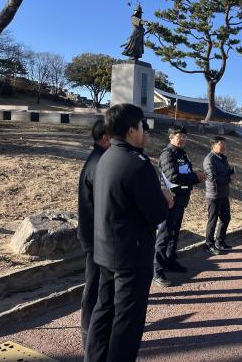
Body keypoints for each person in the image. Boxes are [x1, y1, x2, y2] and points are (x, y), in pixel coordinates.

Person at [85, 104, 172, 362]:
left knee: (104, 310)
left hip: (105, 249)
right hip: (131, 255)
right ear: (131, 130)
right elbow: (156, 213)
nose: (144, 131)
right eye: (142, 126)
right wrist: (166, 199)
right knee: (128, 320)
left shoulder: (105, 157)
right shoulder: (138, 164)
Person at [154, 124, 206, 287]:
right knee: (163, 236)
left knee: (174, 233)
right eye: (179, 136)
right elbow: (173, 177)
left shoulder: (182, 154)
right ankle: (157, 271)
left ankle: (170, 261)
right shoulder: (167, 154)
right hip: (169, 200)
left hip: (181, 199)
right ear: (171, 137)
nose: (183, 139)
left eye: (184, 136)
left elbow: (186, 173)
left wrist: (197, 176)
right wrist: (195, 177)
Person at [77, 120, 110, 349]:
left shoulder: (99, 159)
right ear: (106, 137)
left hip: (96, 235)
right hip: (97, 237)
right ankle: (88, 333)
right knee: (94, 285)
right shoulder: (99, 163)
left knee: (98, 285)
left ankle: (94, 330)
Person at [203, 136, 235, 255]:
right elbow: (212, 177)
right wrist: (228, 179)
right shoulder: (209, 159)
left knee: (226, 218)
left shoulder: (223, 158)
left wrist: (231, 172)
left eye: (224, 144)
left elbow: (225, 173)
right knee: (213, 220)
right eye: (221, 144)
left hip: (224, 194)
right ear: (214, 145)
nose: (224, 146)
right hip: (213, 195)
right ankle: (209, 244)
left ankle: (220, 242)